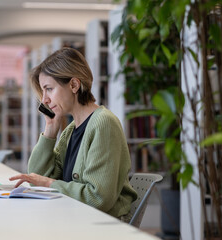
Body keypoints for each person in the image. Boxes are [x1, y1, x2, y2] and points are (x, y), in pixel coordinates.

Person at [9, 47, 137, 220]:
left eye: (49, 89)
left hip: (103, 225)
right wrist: (50, 132)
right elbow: (37, 176)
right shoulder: (71, 129)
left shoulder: (103, 123)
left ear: (74, 85)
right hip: (77, 218)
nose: (45, 99)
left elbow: (97, 198)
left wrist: (48, 183)